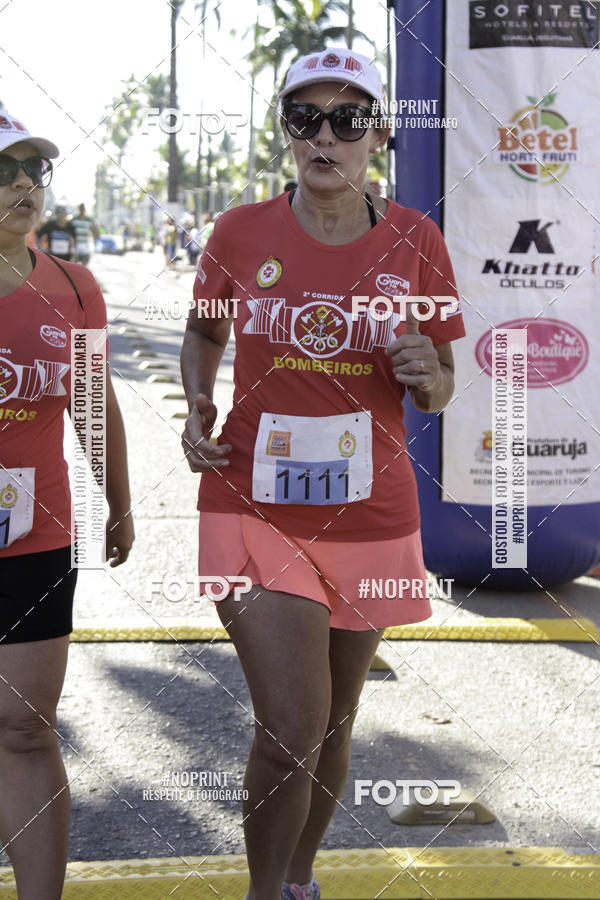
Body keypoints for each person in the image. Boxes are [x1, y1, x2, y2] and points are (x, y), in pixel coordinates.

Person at [180, 47, 465, 900]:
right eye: (306, 118)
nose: (326, 136)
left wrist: (428, 373)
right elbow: (204, 331)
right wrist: (197, 402)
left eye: (348, 119)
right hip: (253, 503)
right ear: (287, 132)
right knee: (290, 726)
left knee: (334, 724)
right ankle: (264, 893)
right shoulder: (239, 232)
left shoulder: (417, 239)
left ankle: (299, 881)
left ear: (378, 134)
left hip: (371, 513)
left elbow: (444, 382)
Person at [0, 110, 134, 898]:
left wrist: (120, 503)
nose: (22, 183)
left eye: (33, 169)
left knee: (24, 727)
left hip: (36, 538)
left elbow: (92, 402)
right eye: (3, 169)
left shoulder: (75, 287)